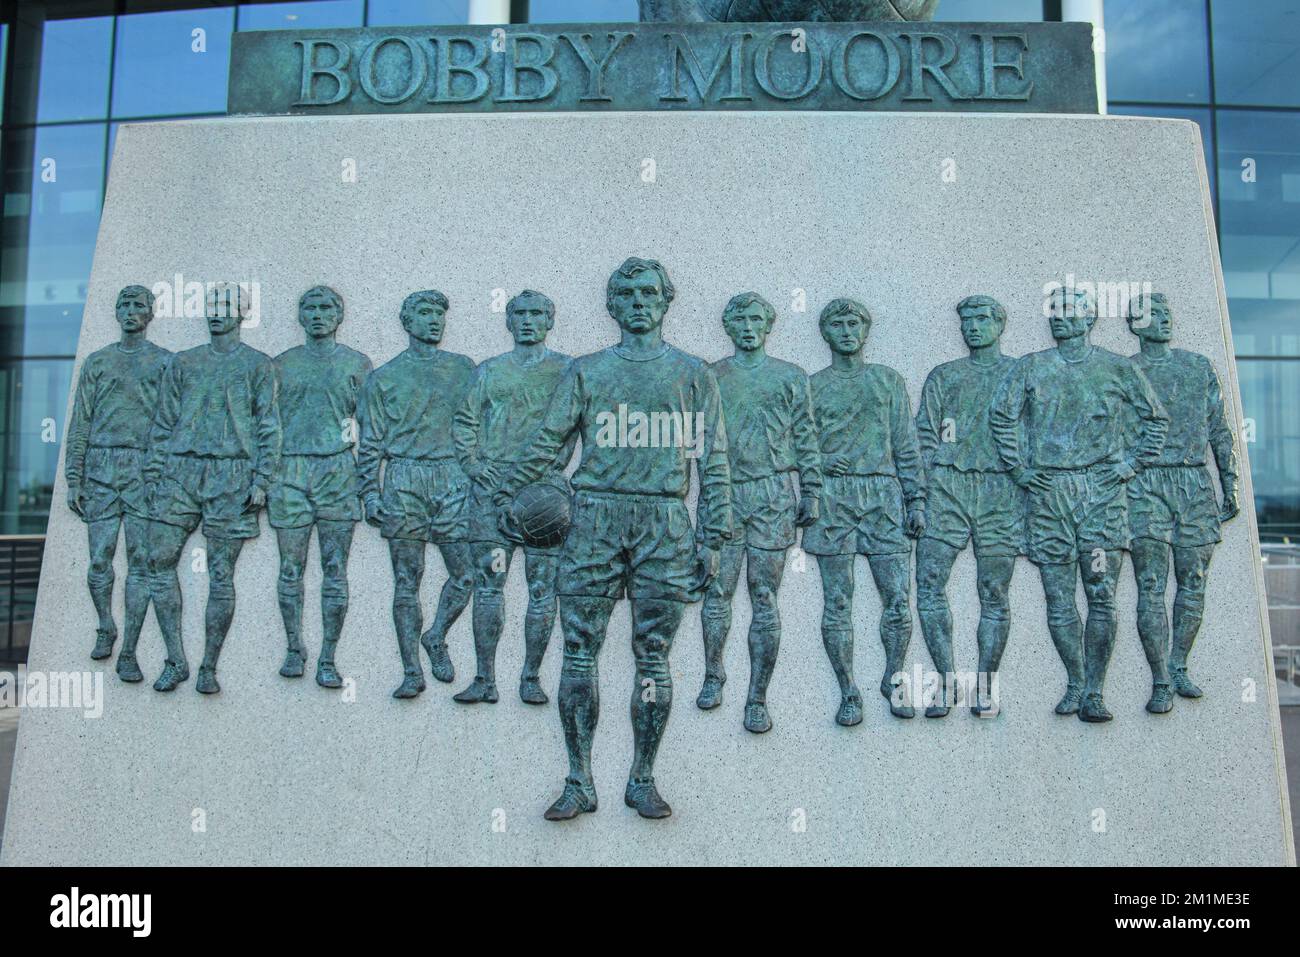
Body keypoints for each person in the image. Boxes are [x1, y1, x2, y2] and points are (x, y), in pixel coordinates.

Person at [495, 257, 732, 821]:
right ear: (611, 304)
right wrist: (514, 501)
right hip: (594, 518)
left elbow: (715, 463)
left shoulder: (694, 374)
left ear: (666, 300)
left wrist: (713, 535)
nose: (637, 301)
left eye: (648, 292)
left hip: (665, 522)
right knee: (578, 650)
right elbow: (547, 446)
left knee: (654, 655)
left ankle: (642, 778)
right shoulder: (586, 370)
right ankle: (579, 778)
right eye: (625, 293)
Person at [990, 286, 1168, 722]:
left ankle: (1095, 690)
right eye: (1055, 312)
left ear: (1090, 319)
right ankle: (1073, 682)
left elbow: (1156, 419)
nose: (1060, 319)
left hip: (1102, 495)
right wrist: (1019, 470)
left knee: (1101, 592)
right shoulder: (1031, 367)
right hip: (1050, 494)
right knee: (1058, 597)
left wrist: (1130, 464)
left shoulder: (1115, 367)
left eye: (1070, 312)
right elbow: (1001, 416)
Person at [144, 282, 281, 694]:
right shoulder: (183, 363)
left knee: (221, 574)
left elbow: (268, 425)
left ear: (242, 313)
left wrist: (262, 479)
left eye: (226, 305)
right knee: (158, 561)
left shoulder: (259, 365)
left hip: (233, 476)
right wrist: (154, 472)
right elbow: (164, 421)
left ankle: (209, 666)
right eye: (212, 305)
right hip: (180, 472)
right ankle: (175, 659)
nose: (217, 312)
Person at [698, 291, 821, 733]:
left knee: (764, 596)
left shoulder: (791, 376)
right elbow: (700, 440)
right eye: (739, 320)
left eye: (755, 319)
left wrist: (812, 489)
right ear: (728, 328)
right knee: (717, 593)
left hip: (772, 493)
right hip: (724, 491)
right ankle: (714, 674)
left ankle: (757, 697)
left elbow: (806, 436)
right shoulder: (711, 375)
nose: (748, 327)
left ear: (767, 326)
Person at [803, 298, 926, 725]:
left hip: (883, 496)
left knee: (896, 598)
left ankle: (893, 678)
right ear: (825, 332)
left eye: (854, 322)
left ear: (866, 329)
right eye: (837, 323)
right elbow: (792, 443)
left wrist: (916, 500)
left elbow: (906, 444)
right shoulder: (812, 385)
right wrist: (818, 462)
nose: (846, 330)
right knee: (837, 601)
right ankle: (848, 690)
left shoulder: (888, 381)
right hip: (835, 499)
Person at [452, 290, 573, 705]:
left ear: (550, 320)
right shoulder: (489, 371)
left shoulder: (567, 371)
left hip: (545, 492)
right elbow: (465, 420)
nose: (527, 320)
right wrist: (472, 465)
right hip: (491, 490)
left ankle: (531, 676)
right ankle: (485, 677)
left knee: (542, 588)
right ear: (508, 321)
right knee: (490, 584)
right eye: (519, 313)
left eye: (537, 313)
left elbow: (575, 425)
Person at [357, 290, 476, 699]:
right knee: (408, 579)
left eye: (439, 315)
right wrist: (369, 492)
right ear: (407, 322)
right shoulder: (384, 377)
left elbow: (479, 425)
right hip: (404, 478)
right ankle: (411, 671)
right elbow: (370, 442)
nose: (434, 321)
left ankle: (437, 635)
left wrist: (477, 476)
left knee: (466, 573)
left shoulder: (464, 369)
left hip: (452, 476)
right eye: (424, 314)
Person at [1124, 292, 1239, 713]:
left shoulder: (1197, 366)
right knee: (1150, 584)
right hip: (1145, 485)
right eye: (1155, 316)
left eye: (1169, 313)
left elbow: (1220, 431)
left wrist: (1231, 485)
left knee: (1193, 580)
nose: (1165, 321)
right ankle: (1157, 679)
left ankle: (1179, 665)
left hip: (1194, 483)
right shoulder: (1126, 372)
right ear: (1136, 325)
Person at [914, 295, 1021, 717]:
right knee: (929, 583)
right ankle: (946, 683)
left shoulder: (1018, 372)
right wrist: (919, 495)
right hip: (948, 489)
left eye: (981, 319)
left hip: (1000, 492)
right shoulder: (945, 375)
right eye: (966, 321)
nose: (973, 327)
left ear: (1000, 324)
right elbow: (924, 435)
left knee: (994, 591)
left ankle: (986, 685)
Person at [65, 285, 171, 683]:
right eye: (124, 304)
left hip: (143, 468)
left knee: (141, 563)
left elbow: (171, 425)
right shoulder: (98, 362)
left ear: (150, 314)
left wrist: (162, 475)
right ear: (115, 311)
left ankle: (130, 649)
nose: (131, 311)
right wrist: (74, 477)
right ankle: (105, 624)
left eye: (138, 305)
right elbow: (80, 424)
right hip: (101, 466)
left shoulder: (164, 363)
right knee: (100, 558)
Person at [269, 286, 372, 688]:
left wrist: (366, 482)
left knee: (334, 569)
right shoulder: (279, 366)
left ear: (339, 314)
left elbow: (371, 427)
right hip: (290, 471)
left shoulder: (357, 364)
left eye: (326, 307)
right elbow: (265, 426)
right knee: (290, 568)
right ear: (299, 315)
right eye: (308, 307)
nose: (317, 314)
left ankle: (328, 657)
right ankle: (295, 648)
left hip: (337, 470)